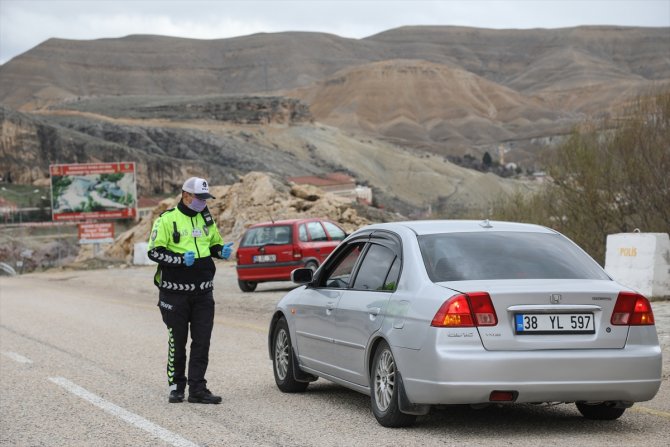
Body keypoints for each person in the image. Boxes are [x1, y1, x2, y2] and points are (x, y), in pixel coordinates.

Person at [147, 176, 233, 404]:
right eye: (199, 198)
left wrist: (220, 251)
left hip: (203, 292)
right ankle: (176, 386)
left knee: (202, 341)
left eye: (206, 199)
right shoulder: (167, 219)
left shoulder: (206, 218)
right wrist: (178, 260)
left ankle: (198, 389)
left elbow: (212, 243)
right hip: (174, 293)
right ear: (186, 195)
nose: (203, 202)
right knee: (178, 340)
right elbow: (154, 252)